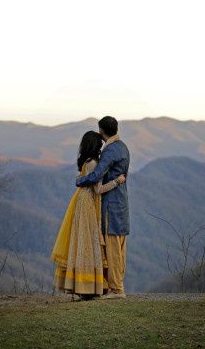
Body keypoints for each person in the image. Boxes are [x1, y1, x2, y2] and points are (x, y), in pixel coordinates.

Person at [51, 130, 126, 298]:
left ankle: (82, 285)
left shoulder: (86, 161)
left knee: (82, 242)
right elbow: (98, 189)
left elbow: (83, 181)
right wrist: (117, 181)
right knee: (88, 243)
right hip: (89, 204)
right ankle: (87, 287)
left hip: (82, 202)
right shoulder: (93, 163)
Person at [76, 116, 131, 298]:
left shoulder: (110, 151)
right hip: (122, 203)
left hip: (111, 205)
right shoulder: (123, 147)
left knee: (113, 247)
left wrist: (80, 180)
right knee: (120, 246)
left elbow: (96, 175)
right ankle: (116, 285)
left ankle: (116, 289)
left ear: (102, 131)